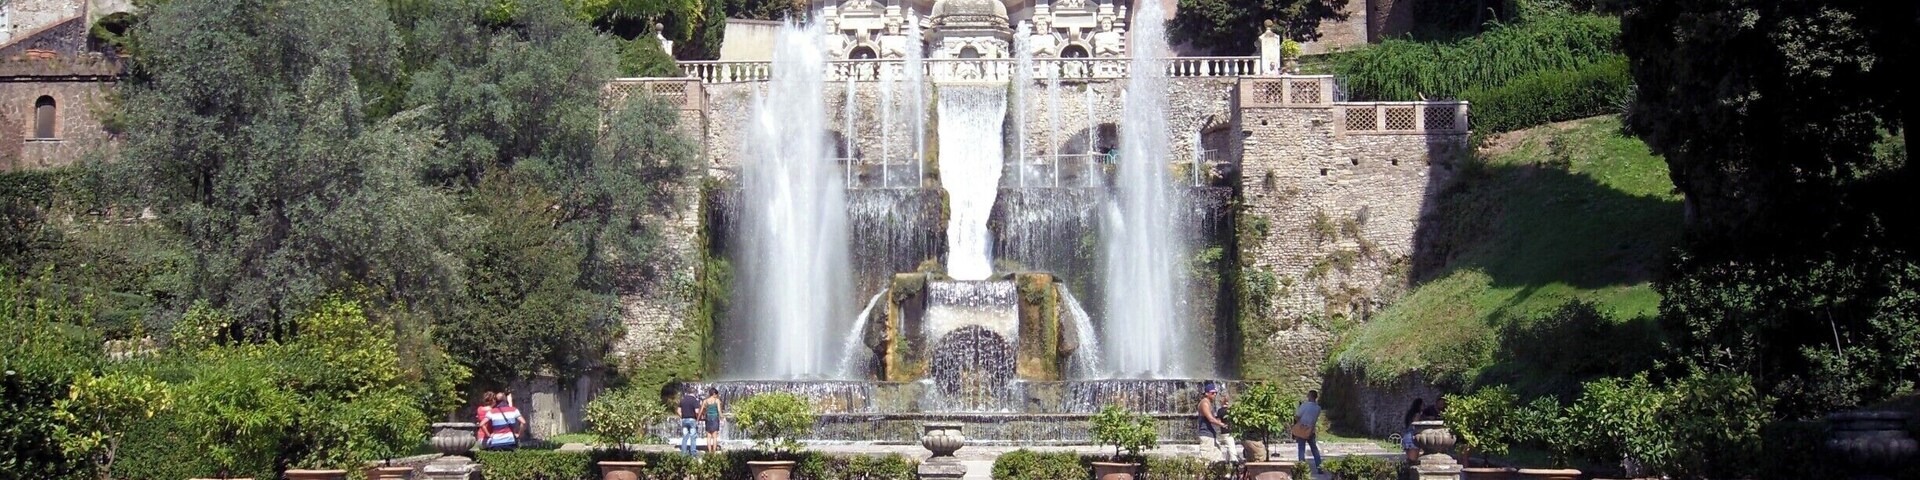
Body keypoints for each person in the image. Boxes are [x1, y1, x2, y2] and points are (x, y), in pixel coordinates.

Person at [1196, 382, 1231, 462]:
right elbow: (1211, 419)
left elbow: (1214, 419)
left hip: (1211, 435)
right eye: (1212, 393)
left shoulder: (1208, 403)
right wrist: (1223, 424)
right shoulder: (1204, 403)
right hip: (1206, 435)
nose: (1214, 394)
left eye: (1215, 392)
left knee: (1217, 458)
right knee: (1205, 460)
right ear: (1206, 393)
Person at [1292, 390, 1323, 474]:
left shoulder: (1304, 406)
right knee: (1314, 449)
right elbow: (1314, 419)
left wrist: (1299, 424)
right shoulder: (1318, 408)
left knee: (1301, 449)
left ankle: (1301, 469)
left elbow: (1297, 416)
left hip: (1302, 429)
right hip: (1311, 430)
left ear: (1309, 396)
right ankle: (1319, 467)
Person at [677, 385, 702, 455]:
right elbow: (697, 411)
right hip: (692, 419)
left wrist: (682, 416)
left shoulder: (683, 400)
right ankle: (693, 453)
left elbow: (678, 410)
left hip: (684, 419)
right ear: (695, 393)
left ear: (688, 392)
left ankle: (683, 453)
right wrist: (697, 418)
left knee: (685, 436)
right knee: (693, 437)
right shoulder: (695, 400)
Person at [702, 388, 724, 454]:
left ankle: (709, 451)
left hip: (708, 418)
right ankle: (714, 452)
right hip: (715, 418)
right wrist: (722, 417)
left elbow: (703, 410)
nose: (717, 396)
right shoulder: (717, 400)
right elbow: (719, 410)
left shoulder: (705, 401)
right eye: (716, 394)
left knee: (708, 436)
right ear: (714, 394)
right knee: (714, 437)